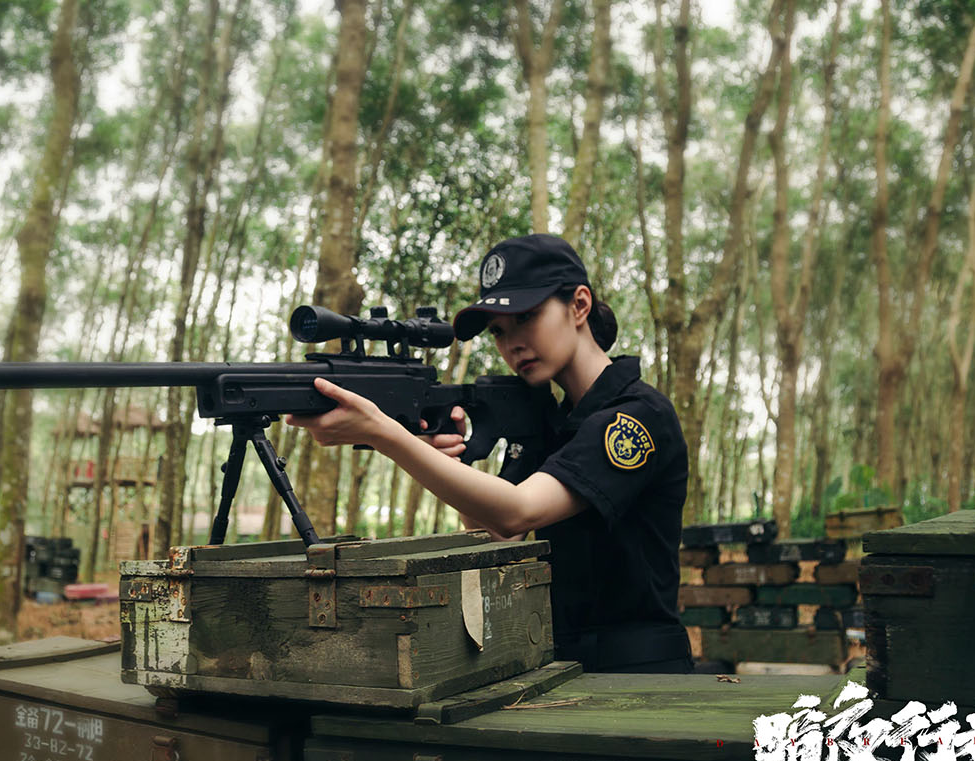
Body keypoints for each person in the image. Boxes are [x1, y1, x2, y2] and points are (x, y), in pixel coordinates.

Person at [285, 233, 693, 673]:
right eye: (499, 331)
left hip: (641, 672)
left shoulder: (635, 416)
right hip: (563, 661)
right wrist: (450, 463)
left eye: (527, 317)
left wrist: (385, 436)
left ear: (579, 305)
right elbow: (499, 536)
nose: (511, 342)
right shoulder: (554, 421)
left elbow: (518, 512)